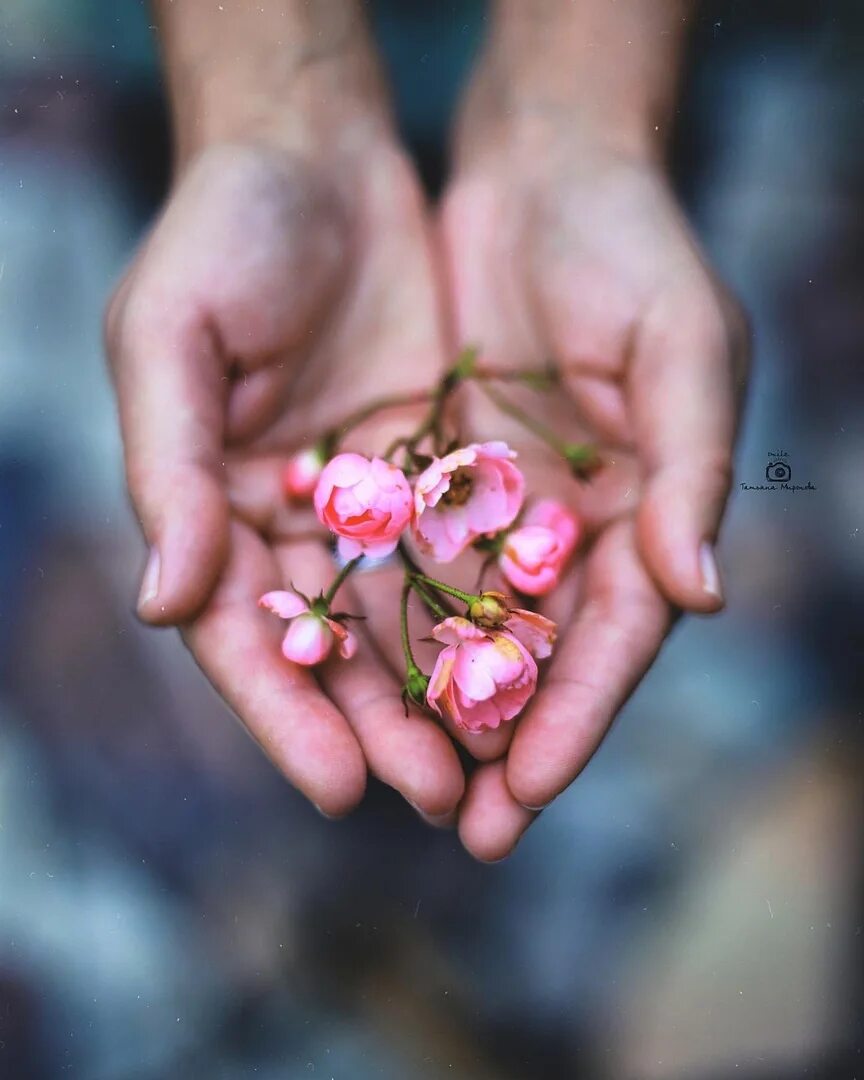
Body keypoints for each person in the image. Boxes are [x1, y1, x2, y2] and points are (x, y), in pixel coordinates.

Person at [104, 0, 749, 861]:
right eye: (447, 484)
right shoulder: (432, 518)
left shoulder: (445, 504)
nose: (444, 490)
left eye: (453, 486)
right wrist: (267, 105)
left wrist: (584, 109)